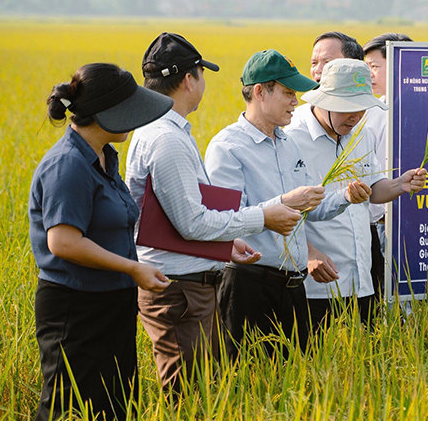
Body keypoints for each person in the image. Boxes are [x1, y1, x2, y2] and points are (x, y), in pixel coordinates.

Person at [125, 33, 301, 394]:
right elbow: (192, 222)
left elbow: (170, 219)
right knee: (188, 398)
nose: (203, 82)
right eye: (202, 74)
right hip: (179, 291)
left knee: (205, 392)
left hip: (187, 286)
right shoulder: (167, 139)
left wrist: (225, 245)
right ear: (189, 79)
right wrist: (264, 217)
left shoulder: (167, 133)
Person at [29, 63, 173, 421]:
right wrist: (132, 268)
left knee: (112, 410)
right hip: (76, 310)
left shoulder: (106, 158)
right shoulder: (69, 165)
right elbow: (63, 241)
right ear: (109, 112)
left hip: (112, 303)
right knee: (69, 415)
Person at [205, 49, 371, 357]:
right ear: (259, 92)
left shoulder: (287, 143)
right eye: (287, 93)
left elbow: (308, 208)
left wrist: (345, 197)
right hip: (249, 284)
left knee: (294, 379)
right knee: (249, 381)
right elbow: (222, 220)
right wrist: (282, 202)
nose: (296, 101)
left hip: (293, 286)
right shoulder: (227, 147)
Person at [286, 59, 428, 330]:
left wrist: (400, 184)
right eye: (347, 108)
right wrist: (308, 254)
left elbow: (374, 190)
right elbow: (281, 209)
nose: (355, 116)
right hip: (316, 283)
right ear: (324, 101)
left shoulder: (359, 135)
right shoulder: (292, 138)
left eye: (362, 108)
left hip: (362, 278)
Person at [363, 32, 413, 296]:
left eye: (374, 66)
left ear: (399, 62)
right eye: (366, 66)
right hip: (377, 224)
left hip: (406, 223)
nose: (369, 74)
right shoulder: (370, 110)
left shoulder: (418, 109)